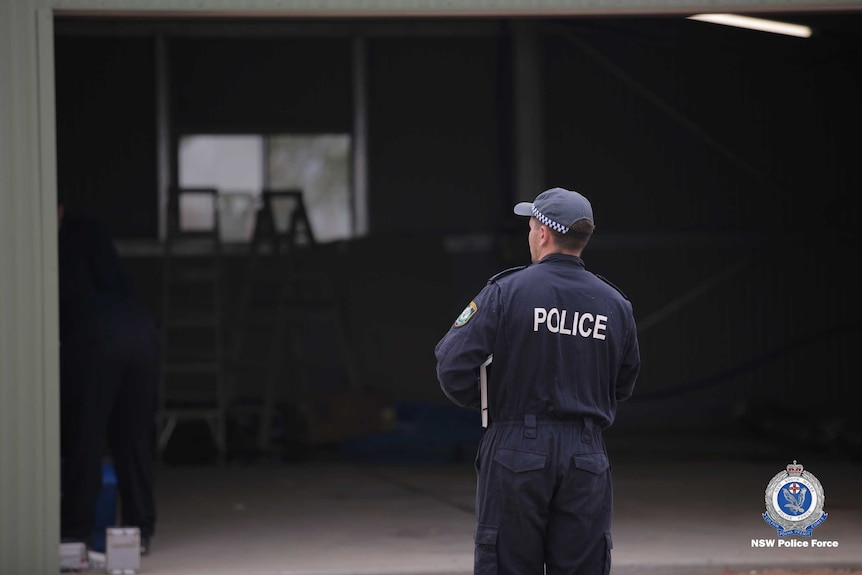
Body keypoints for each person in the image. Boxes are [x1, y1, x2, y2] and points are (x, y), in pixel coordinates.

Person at [435, 187, 640, 575]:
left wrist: (491, 401)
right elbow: (624, 382)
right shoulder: (616, 305)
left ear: (543, 233)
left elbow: (452, 363)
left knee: (508, 564)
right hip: (586, 452)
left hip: (516, 447)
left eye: (530, 226)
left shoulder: (506, 292)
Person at [58, 203, 160, 555]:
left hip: (95, 337)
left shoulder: (56, 244)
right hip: (141, 330)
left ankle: (75, 535)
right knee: (133, 438)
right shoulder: (95, 233)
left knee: (85, 437)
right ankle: (139, 532)